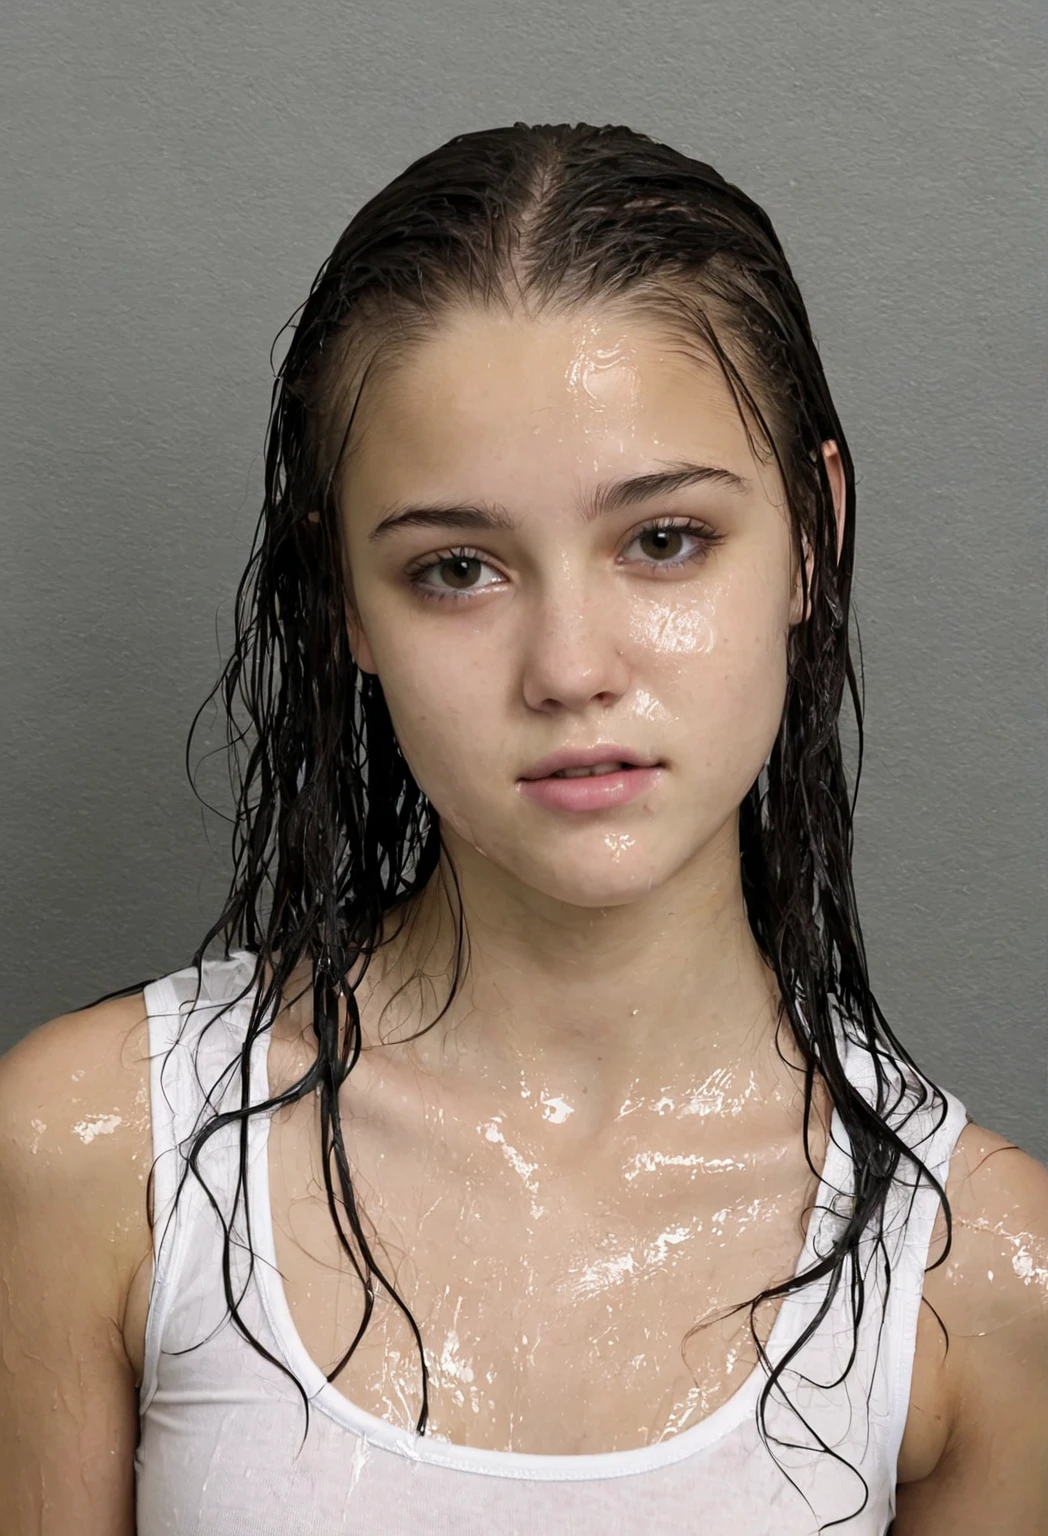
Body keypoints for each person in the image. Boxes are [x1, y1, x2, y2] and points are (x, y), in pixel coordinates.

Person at [1, 122, 1045, 1536]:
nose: (570, 666)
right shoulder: (94, 1149)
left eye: (664, 540)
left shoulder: (984, 1277)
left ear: (813, 532)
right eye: (458, 569)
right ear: (348, 605)